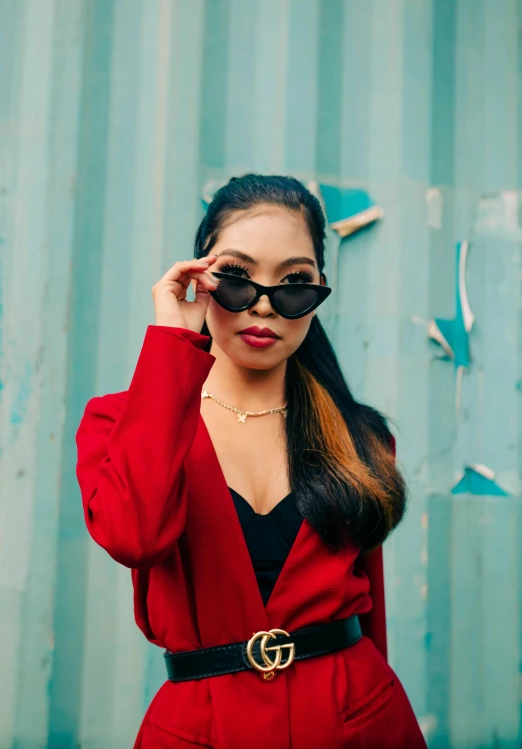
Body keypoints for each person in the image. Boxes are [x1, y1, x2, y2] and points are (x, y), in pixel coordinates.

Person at [76, 174, 426, 749]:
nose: (263, 305)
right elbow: (134, 539)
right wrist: (171, 341)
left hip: (358, 721)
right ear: (199, 279)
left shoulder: (361, 436)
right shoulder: (121, 424)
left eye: (293, 283)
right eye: (236, 278)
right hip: (200, 729)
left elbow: (372, 619)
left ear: (318, 292)